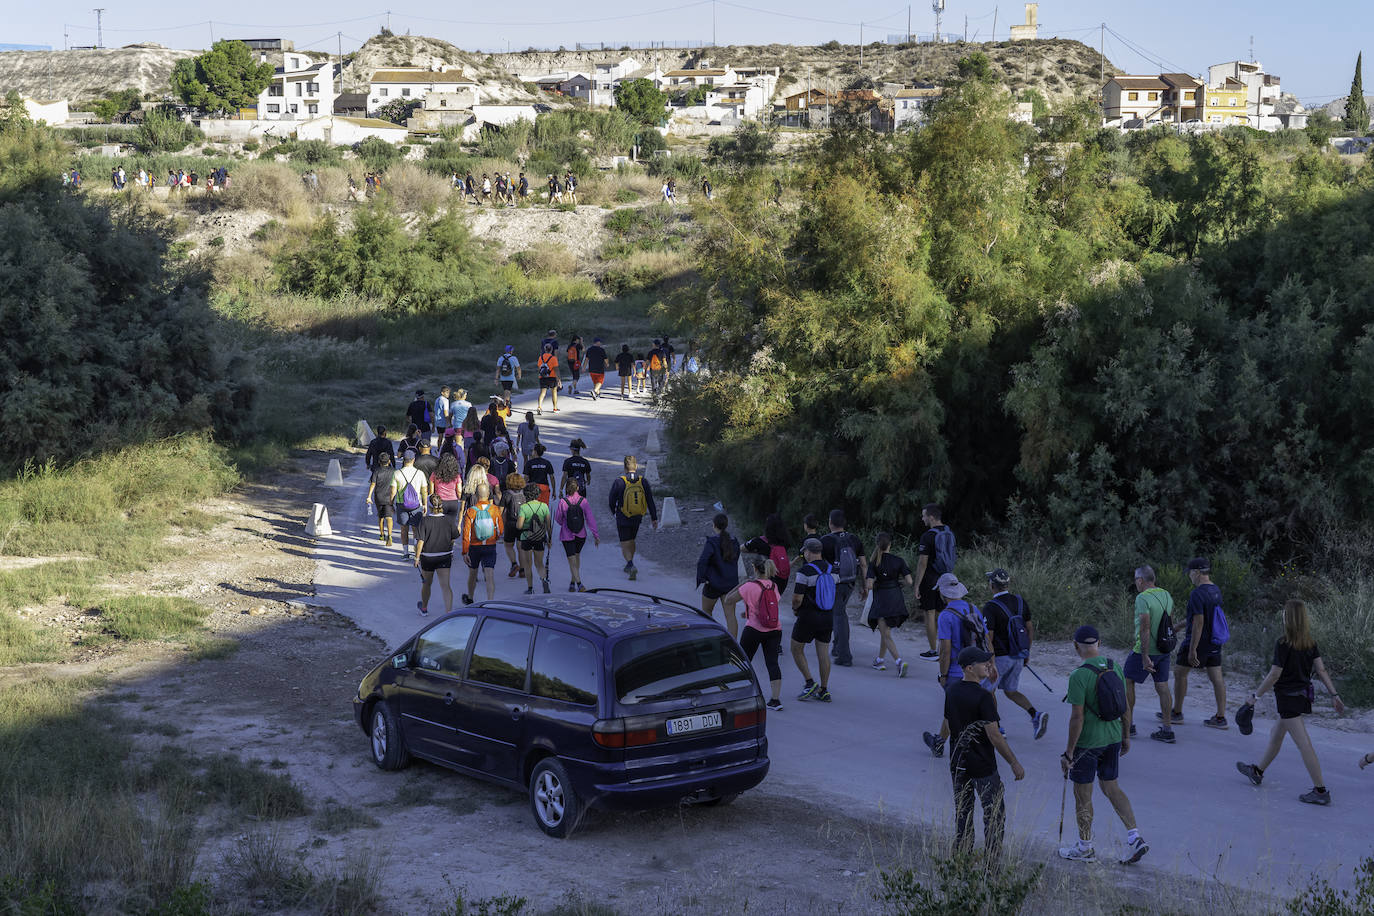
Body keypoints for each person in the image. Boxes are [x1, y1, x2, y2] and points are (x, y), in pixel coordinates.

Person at [1235, 599, 1345, 805]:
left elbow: (1274, 674)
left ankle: (1321, 791)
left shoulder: (1283, 643)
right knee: (1276, 735)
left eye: (1285, 613)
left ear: (1289, 618)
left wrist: (1255, 697)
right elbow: (1321, 670)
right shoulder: (1310, 643)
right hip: (1302, 696)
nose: (1283, 616)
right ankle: (1257, 771)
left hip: (1287, 699)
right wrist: (1334, 695)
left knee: (1304, 744)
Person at [1060, 625, 1149, 865]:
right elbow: (1125, 706)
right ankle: (1135, 837)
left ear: (1076, 646)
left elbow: (1077, 718)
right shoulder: (1114, 666)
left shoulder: (1078, 676)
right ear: (1098, 643)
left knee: (1082, 795)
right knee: (1112, 788)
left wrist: (1069, 753)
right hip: (1112, 739)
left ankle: (1085, 847)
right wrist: (1126, 736)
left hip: (1087, 744)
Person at [942, 646, 1025, 860]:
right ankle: (991, 866)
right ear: (969, 668)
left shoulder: (951, 691)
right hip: (983, 767)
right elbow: (995, 736)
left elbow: (950, 725)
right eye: (983, 663)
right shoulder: (984, 697)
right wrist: (1014, 762)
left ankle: (960, 861)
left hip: (958, 764)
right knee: (994, 816)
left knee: (963, 814)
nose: (988, 665)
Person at [923, 574, 991, 758]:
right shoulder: (973, 608)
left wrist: (943, 675)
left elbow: (945, 650)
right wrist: (990, 663)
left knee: (956, 710)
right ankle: (939, 742)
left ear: (943, 594)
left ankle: (952, 746)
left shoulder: (945, 616)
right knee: (961, 709)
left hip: (956, 670)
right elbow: (985, 639)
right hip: (976, 667)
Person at [983, 568, 1049, 739]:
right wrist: (1026, 652)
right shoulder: (1020, 601)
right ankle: (1035, 714)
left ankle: (996, 727)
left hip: (1000, 657)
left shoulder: (990, 607)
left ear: (992, 585)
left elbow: (988, 637)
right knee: (1011, 691)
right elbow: (1029, 628)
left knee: (988, 690)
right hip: (1018, 655)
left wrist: (990, 661)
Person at [1172, 557, 1228, 729]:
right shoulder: (1215, 590)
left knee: (1180, 673)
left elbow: (1199, 621)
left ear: (1196, 572)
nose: (1189, 576)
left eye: (1190, 573)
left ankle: (1177, 713)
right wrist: (1179, 626)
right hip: (1214, 642)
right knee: (1217, 678)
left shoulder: (1197, 593)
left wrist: (1192, 649)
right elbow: (1204, 615)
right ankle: (1220, 718)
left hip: (1198, 642)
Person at [722, 554, 784, 710]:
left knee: (741, 660)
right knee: (772, 663)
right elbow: (769, 607)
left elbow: (728, 600)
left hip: (755, 629)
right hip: (774, 629)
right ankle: (775, 700)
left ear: (755, 568)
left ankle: (733, 692)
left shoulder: (749, 586)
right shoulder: (773, 585)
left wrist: (741, 584)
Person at [1126, 566, 1176, 743]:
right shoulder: (1166, 594)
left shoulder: (1142, 598)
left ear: (1141, 580)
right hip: (1164, 649)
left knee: (1128, 680)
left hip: (1146, 649)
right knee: (1162, 686)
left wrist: (1144, 655)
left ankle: (1128, 726)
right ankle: (1167, 729)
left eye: (1135, 580)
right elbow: (1168, 622)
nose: (1135, 583)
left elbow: (1145, 627)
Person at [820, 510, 866, 668]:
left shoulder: (824, 541)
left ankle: (845, 656)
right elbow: (863, 564)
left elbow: (818, 565)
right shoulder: (854, 539)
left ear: (830, 522)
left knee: (839, 615)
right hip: (850, 583)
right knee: (840, 613)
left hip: (834, 583)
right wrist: (865, 586)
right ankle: (837, 647)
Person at [863, 533, 912, 677]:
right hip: (896, 596)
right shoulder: (899, 560)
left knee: (885, 633)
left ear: (877, 544)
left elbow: (870, 585)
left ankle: (899, 662)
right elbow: (909, 581)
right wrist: (896, 584)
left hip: (882, 599)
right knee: (885, 631)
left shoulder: (874, 563)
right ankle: (880, 660)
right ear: (890, 544)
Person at [791, 539, 833, 703]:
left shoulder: (804, 571)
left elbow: (796, 598)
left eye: (804, 552)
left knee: (796, 648)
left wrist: (795, 609)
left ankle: (809, 683)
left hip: (808, 616)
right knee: (823, 653)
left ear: (808, 552)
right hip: (827, 615)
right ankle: (824, 690)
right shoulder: (832, 569)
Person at [914, 504, 956, 660]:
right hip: (946, 576)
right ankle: (946, 648)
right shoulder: (949, 532)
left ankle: (933, 651)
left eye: (924, 515)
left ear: (931, 517)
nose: (922, 518)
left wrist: (917, 585)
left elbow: (922, 563)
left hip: (930, 578)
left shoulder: (927, 536)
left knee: (929, 613)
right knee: (942, 613)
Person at [608, 455, 658, 581]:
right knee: (632, 540)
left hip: (623, 516)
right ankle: (630, 563)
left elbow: (611, 500)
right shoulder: (643, 481)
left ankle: (630, 564)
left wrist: (614, 512)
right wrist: (654, 518)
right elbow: (650, 500)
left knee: (625, 542)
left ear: (625, 467)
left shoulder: (619, 481)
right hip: (637, 516)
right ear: (635, 466)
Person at [697, 513, 742, 639]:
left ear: (714, 525)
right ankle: (733, 646)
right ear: (726, 525)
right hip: (730, 584)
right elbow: (736, 558)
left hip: (713, 584)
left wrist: (702, 578)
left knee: (706, 612)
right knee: (730, 615)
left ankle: (710, 639)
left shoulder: (712, 542)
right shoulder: (734, 541)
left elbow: (702, 561)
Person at [414, 494, 459, 616]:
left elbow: (421, 541)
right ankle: (449, 612)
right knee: (446, 586)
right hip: (445, 556)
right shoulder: (448, 520)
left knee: (427, 584)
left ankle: (424, 608)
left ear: (429, 506)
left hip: (428, 557)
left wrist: (417, 557)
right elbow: (454, 536)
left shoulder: (424, 521)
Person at [460, 483, 503, 604]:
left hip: (474, 547)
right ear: (488, 494)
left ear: (476, 495)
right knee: (489, 575)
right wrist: (494, 537)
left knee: (473, 574)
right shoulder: (494, 509)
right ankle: (490, 601)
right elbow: (500, 530)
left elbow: (466, 534)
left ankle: (470, 597)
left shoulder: (471, 511)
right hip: (490, 546)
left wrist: (464, 552)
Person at [554, 480, 599, 592]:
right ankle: (572, 582)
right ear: (577, 488)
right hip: (581, 534)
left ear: (566, 488)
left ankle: (579, 583)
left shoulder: (563, 502)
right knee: (576, 557)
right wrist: (595, 534)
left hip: (567, 534)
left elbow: (558, 519)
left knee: (571, 560)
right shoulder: (583, 501)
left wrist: (565, 523)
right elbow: (590, 519)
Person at [389, 450, 430, 561]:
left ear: (403, 460)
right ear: (413, 460)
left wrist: (391, 504)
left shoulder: (397, 473)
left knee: (404, 529)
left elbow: (393, 492)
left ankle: (406, 553)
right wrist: (425, 504)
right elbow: (424, 491)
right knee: (416, 530)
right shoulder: (420, 473)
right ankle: (416, 551)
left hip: (402, 504)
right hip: (417, 505)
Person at [516, 482, 553, 595]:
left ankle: (530, 588)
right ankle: (544, 580)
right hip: (540, 538)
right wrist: (549, 540)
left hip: (526, 538)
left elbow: (519, 526)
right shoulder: (544, 506)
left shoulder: (523, 508)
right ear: (537, 494)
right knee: (539, 563)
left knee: (528, 564)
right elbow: (548, 525)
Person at [743, 513, 791, 594]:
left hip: (766, 580)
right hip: (781, 581)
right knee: (772, 603)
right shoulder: (785, 543)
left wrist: (755, 550)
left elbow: (742, 548)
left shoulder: (759, 541)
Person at [364, 452, 396, 546]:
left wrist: (369, 496)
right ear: (389, 461)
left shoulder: (376, 471)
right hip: (390, 497)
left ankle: (382, 534)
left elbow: (373, 484)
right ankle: (389, 535)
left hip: (379, 496)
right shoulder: (393, 471)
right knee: (389, 517)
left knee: (381, 516)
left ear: (379, 461)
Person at [500, 472, 528, 580]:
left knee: (508, 546)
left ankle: (514, 564)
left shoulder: (507, 494)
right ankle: (522, 569)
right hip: (522, 523)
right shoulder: (524, 493)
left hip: (510, 524)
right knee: (520, 547)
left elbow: (500, 511)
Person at [430, 453, 463, 518]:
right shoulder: (456, 475)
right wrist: (460, 498)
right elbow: (459, 491)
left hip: (439, 502)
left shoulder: (435, 474)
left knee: (440, 524)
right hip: (453, 502)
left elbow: (431, 491)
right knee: (451, 523)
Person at [535, 344, 560, 414]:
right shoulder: (554, 358)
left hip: (542, 377)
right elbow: (556, 369)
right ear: (551, 350)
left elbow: (539, 368)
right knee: (554, 392)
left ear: (545, 350)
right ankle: (555, 408)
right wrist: (559, 379)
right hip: (552, 377)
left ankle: (539, 407)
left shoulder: (541, 358)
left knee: (542, 392)